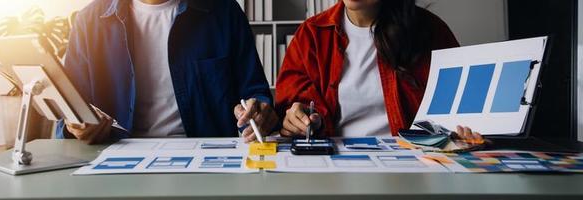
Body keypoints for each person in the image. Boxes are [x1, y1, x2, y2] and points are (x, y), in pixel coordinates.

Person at [58, 0, 278, 144]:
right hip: (114, 155)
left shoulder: (223, 11)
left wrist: (259, 110)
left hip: (206, 157)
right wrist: (77, 125)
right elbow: (69, 111)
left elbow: (255, 90)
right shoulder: (89, 21)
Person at [276, 0, 483, 142]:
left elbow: (462, 107)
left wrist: (465, 131)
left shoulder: (430, 30)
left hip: (416, 165)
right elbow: (291, 107)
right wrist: (299, 120)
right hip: (337, 166)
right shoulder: (311, 34)